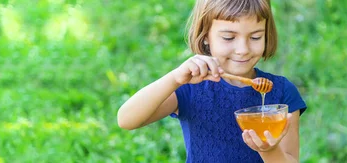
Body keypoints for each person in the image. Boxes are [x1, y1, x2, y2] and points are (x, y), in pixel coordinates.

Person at [116, 0, 307, 162]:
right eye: (228, 37)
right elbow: (127, 120)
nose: (243, 49)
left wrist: (269, 150)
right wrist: (174, 79)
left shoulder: (282, 92)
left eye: (255, 37)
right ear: (206, 36)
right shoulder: (191, 87)